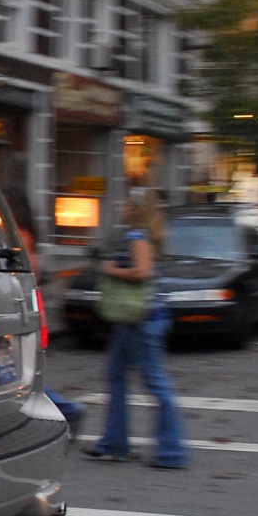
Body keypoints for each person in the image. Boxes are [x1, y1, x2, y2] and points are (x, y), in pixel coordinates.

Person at [86, 188, 188, 468]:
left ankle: (172, 451)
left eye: (125, 203)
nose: (120, 206)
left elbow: (142, 272)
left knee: (155, 383)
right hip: (137, 319)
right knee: (116, 375)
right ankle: (114, 442)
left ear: (135, 209)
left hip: (141, 320)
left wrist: (113, 271)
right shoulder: (145, 235)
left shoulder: (137, 237)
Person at [4, 187, 85, 436]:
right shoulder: (25, 236)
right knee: (19, 374)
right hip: (26, 313)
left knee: (19, 375)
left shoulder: (18, 237)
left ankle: (65, 409)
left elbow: (20, 276)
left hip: (21, 314)